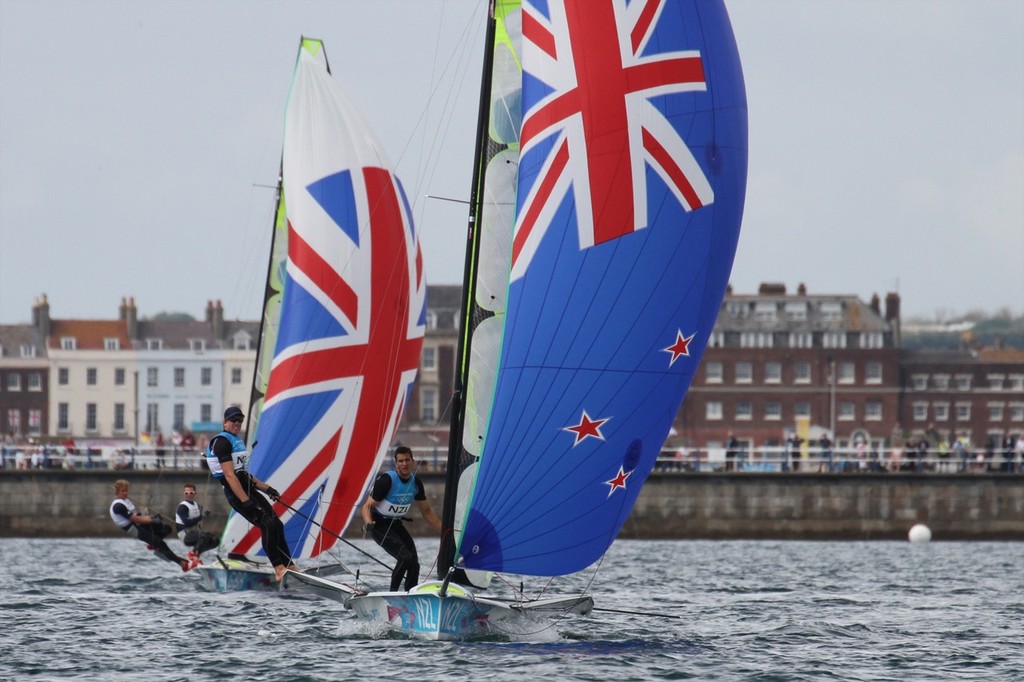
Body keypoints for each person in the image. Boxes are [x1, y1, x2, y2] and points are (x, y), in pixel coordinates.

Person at [205, 406, 296, 582]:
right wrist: (245, 501)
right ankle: (279, 569)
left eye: (240, 420)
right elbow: (230, 475)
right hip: (236, 493)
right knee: (267, 524)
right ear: (225, 422)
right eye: (233, 420)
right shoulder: (222, 442)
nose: (237, 423)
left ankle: (290, 565)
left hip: (248, 489)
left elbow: (244, 474)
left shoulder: (236, 440)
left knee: (277, 524)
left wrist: (267, 489)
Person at [360, 446, 442, 592]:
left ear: (413, 461)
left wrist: (445, 533)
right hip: (379, 525)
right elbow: (366, 507)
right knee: (404, 557)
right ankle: (393, 595)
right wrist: (369, 523)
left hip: (396, 524)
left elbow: (427, 512)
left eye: (407, 460)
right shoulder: (387, 481)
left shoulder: (416, 483)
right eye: (401, 461)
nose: (404, 464)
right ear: (396, 463)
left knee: (414, 564)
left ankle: (410, 595)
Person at [109, 479, 197, 572]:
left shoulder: (126, 501)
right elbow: (135, 519)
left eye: (126, 490)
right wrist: (150, 520)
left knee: (166, 528)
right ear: (117, 492)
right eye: (123, 491)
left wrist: (152, 517)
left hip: (139, 524)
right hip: (134, 528)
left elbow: (138, 515)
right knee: (160, 543)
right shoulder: (118, 506)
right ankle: (183, 565)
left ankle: (152, 544)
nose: (126, 493)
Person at [175, 483, 219, 560]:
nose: (188, 495)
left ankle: (197, 554)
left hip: (194, 533)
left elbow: (199, 516)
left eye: (191, 493)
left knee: (215, 540)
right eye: (186, 493)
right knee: (204, 536)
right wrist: (202, 516)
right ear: (184, 493)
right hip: (185, 535)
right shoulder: (182, 507)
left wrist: (205, 513)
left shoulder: (196, 505)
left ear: (195, 493)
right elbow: (187, 523)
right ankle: (193, 554)